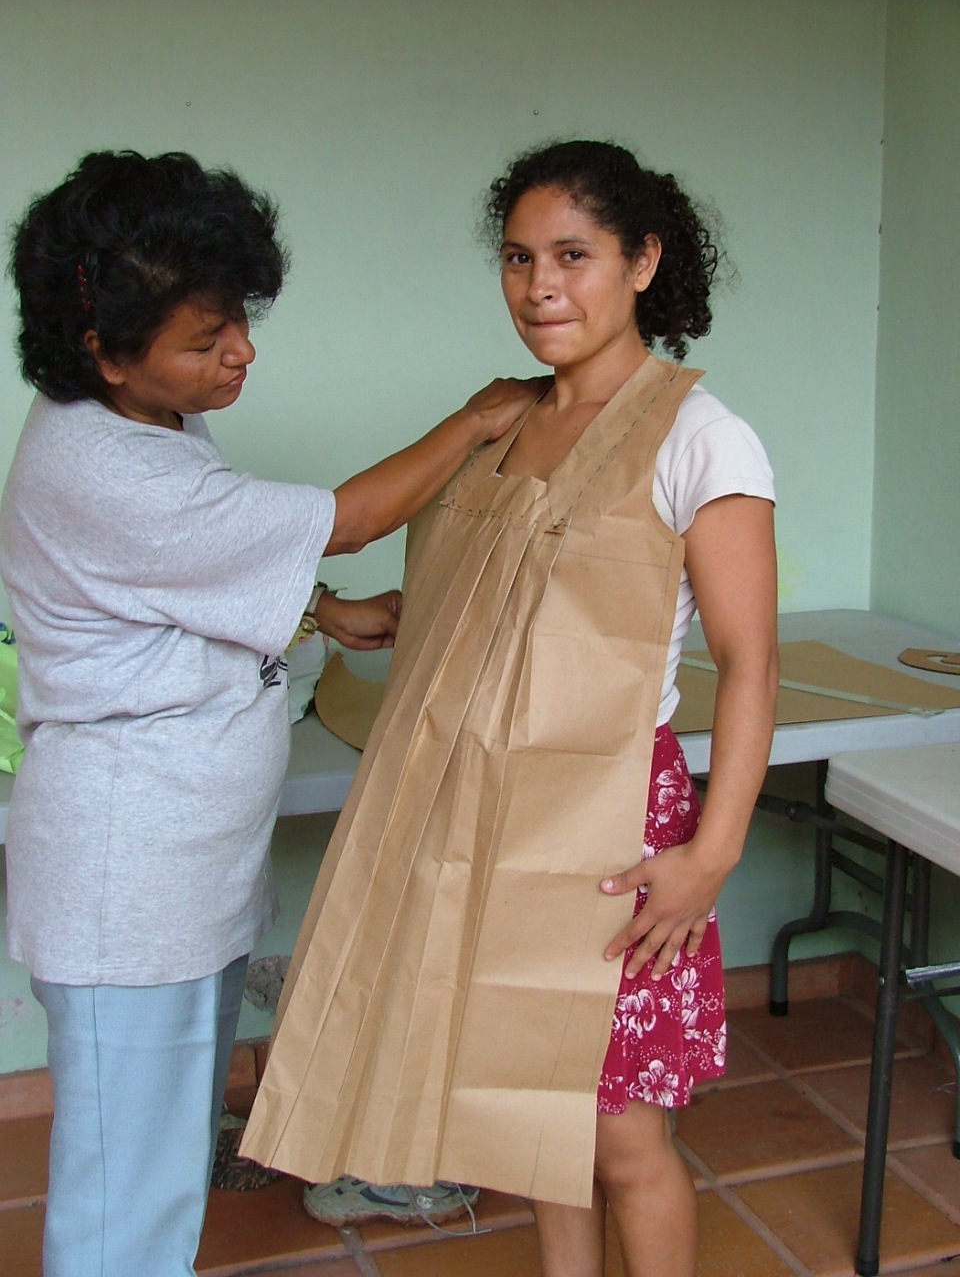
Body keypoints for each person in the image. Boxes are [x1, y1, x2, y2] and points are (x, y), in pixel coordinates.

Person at [242, 139, 779, 1277]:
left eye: (575, 255)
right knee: (529, 1128)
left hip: (612, 824)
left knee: (622, 1134)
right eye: (521, 256)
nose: (541, 285)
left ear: (644, 261)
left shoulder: (701, 435)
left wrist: (713, 853)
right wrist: (369, 612)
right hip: (482, 811)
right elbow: (486, 599)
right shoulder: (500, 424)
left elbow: (750, 661)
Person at [0, 149, 537, 1277]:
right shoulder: (100, 462)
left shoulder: (140, 419)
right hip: (125, 874)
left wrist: (322, 614)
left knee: (156, 1160)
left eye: (237, 318)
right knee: (122, 1195)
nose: (241, 350)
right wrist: (477, 419)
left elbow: (164, 589)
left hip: (177, 862)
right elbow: (340, 518)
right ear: (101, 347)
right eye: (205, 340)